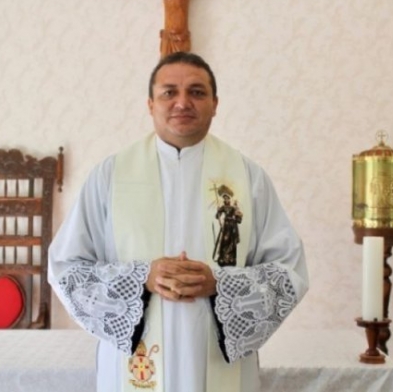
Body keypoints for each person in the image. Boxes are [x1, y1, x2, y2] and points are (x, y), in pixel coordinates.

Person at [48, 51, 309, 392]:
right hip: (137, 363)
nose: (182, 102)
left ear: (215, 104)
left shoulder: (248, 178)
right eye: (169, 92)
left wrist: (221, 284)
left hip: (217, 358)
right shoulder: (110, 176)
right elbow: (66, 267)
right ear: (150, 104)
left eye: (197, 92)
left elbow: (289, 271)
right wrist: (142, 278)